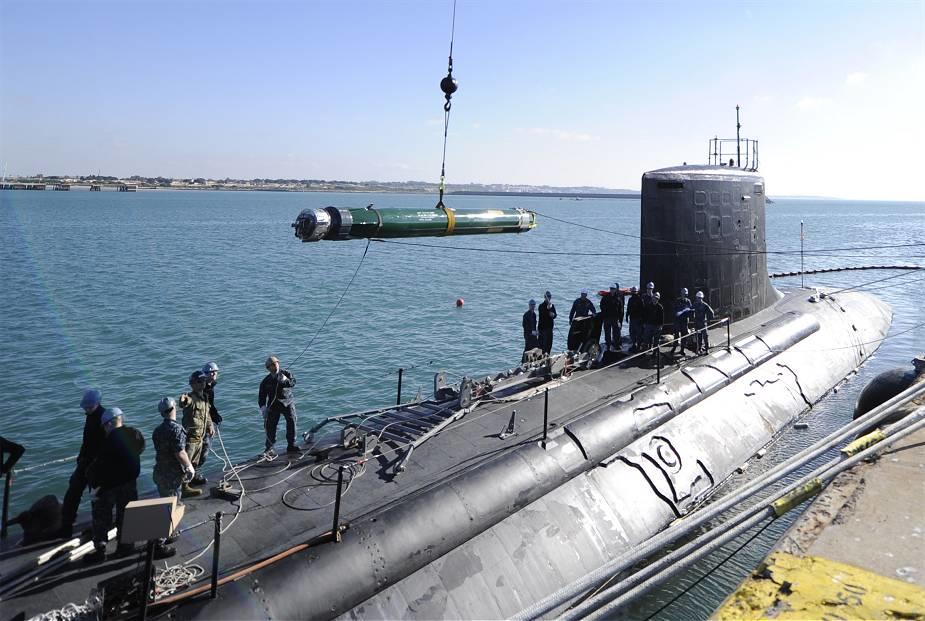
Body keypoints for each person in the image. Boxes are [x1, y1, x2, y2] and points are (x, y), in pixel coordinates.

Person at [83, 408, 145, 563]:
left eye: (105, 426)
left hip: (109, 485)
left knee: (101, 515)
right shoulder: (134, 434)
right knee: (127, 515)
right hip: (129, 482)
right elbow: (140, 449)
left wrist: (95, 487)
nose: (104, 429)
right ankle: (126, 547)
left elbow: (101, 467)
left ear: (109, 424)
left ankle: (100, 549)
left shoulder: (108, 441)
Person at [59, 389, 107, 539]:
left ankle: (98, 527)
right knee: (72, 492)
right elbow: (86, 440)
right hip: (85, 461)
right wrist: (81, 457)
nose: (86, 409)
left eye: (89, 407)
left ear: (97, 404)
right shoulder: (90, 416)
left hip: (97, 465)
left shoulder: (104, 418)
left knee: (96, 497)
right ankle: (66, 527)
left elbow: (106, 445)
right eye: (85, 407)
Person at [152, 397, 195, 558]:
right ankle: (158, 544)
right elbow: (180, 452)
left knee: (166, 503)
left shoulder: (157, 430)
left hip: (160, 472)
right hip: (172, 475)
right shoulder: (176, 429)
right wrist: (189, 467)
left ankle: (168, 533)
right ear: (173, 409)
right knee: (171, 506)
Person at [179, 371, 213, 494]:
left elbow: (206, 414)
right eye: (199, 381)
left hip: (200, 436)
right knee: (187, 462)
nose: (202, 383)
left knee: (196, 461)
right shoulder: (191, 398)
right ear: (193, 384)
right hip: (191, 437)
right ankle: (184, 487)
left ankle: (193, 479)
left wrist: (210, 425)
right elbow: (184, 403)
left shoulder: (204, 397)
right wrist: (183, 400)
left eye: (203, 381)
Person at [259, 356, 298, 455]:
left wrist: (285, 380)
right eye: (272, 365)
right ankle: (269, 448)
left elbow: (293, 383)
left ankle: (291, 445)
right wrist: (263, 408)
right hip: (273, 405)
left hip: (287, 403)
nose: (275, 365)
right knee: (270, 426)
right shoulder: (265, 381)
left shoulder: (286, 373)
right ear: (268, 368)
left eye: (276, 363)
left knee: (292, 422)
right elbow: (262, 396)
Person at [198, 362, 221, 467]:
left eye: (215, 372)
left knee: (205, 446)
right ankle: (195, 470)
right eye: (211, 372)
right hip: (201, 421)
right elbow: (204, 409)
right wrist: (210, 424)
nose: (214, 374)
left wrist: (215, 414)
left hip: (207, 417)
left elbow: (210, 404)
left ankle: (196, 469)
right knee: (204, 446)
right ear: (205, 374)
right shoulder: (203, 390)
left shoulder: (211, 385)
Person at [600, 283, 624, 351]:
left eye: (613, 289)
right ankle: (608, 345)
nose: (612, 290)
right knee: (607, 333)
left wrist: (620, 320)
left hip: (615, 318)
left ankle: (617, 345)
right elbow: (601, 305)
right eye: (611, 289)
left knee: (616, 333)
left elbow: (621, 310)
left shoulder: (618, 298)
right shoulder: (605, 297)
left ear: (615, 289)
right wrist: (604, 313)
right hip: (607, 318)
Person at [669, 287, 693, 356]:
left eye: (685, 294)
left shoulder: (688, 301)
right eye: (683, 294)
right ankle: (674, 348)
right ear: (681, 294)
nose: (684, 295)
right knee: (676, 336)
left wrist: (687, 313)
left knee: (684, 336)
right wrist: (677, 313)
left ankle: (682, 349)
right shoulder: (677, 301)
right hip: (677, 321)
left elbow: (690, 310)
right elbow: (674, 310)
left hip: (684, 321)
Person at [625, 286, 644, 353]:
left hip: (638, 319)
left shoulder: (640, 299)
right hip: (632, 318)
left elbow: (643, 310)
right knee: (632, 332)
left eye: (635, 292)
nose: (633, 293)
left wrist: (642, 319)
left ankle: (638, 345)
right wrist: (626, 316)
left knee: (639, 333)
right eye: (633, 292)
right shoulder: (630, 299)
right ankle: (634, 344)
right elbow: (628, 308)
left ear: (637, 292)